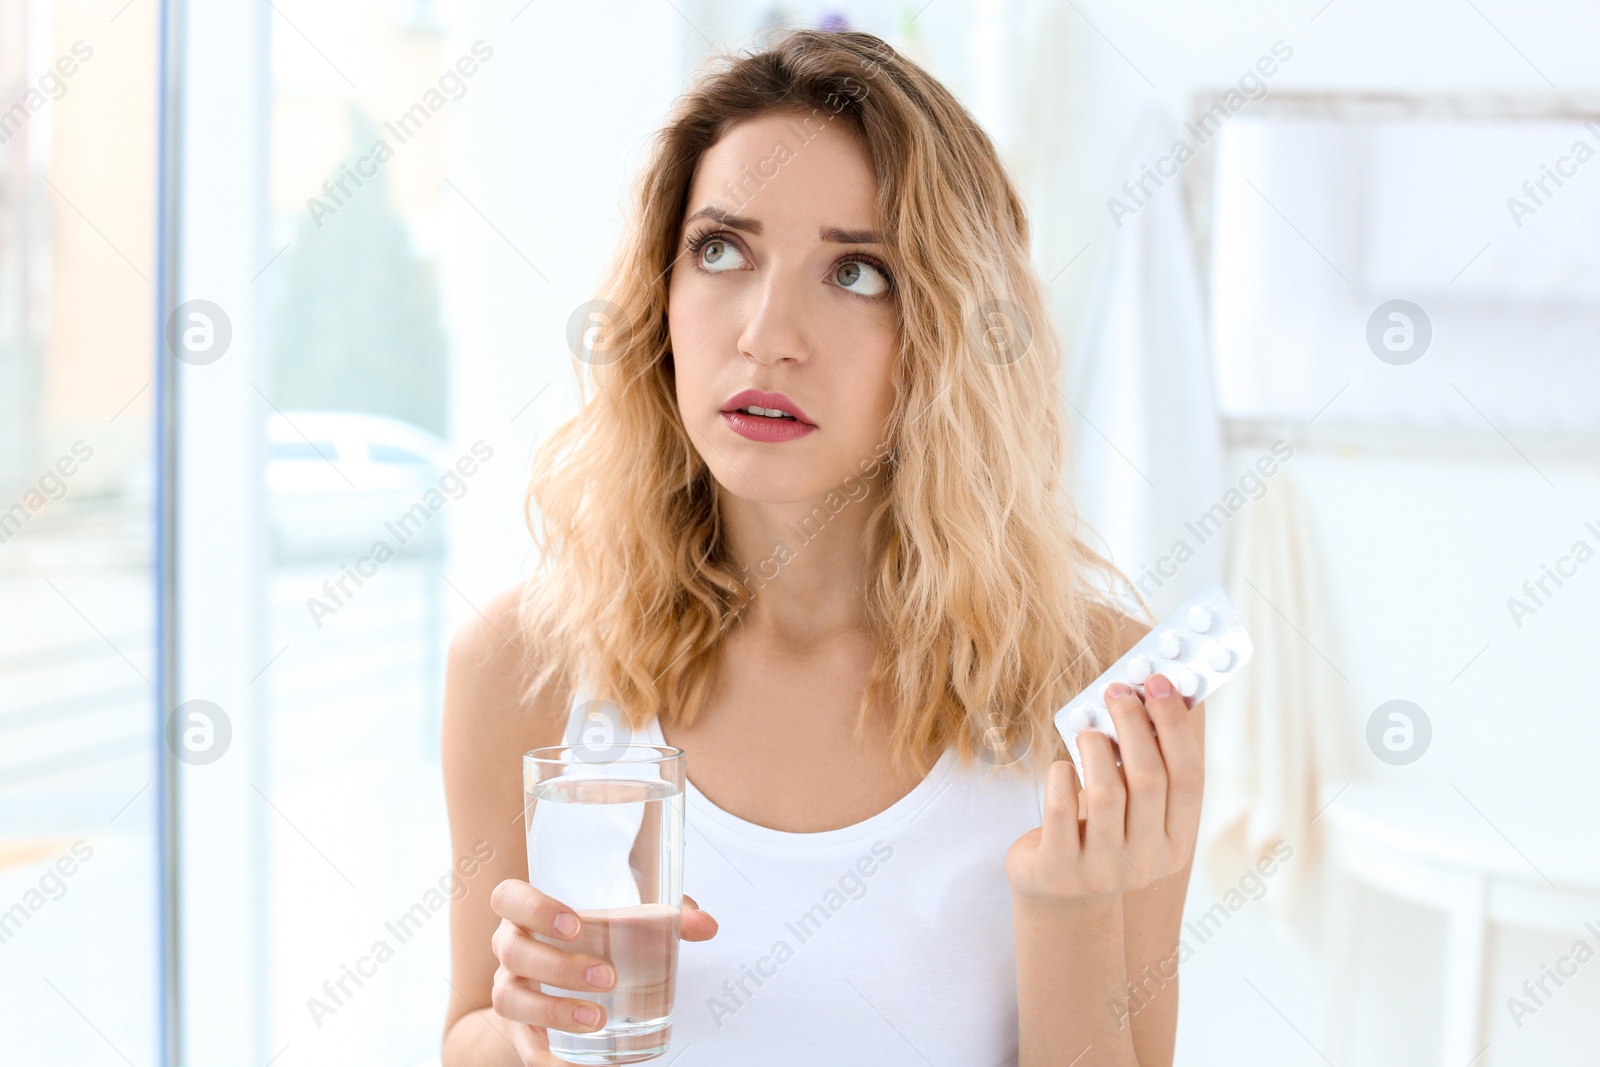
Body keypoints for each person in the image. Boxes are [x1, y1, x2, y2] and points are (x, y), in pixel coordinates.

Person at [441, 28, 1204, 1067]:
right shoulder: (520, 666)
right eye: (720, 248)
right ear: (659, 299)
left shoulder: (1098, 692)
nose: (766, 332)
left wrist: (1071, 913)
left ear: (946, 330)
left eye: (856, 270)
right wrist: (525, 1033)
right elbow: (466, 1037)